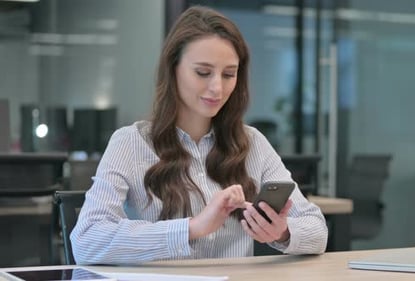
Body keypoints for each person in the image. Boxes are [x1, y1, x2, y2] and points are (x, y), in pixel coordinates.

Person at [70, 5, 328, 265]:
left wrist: (282, 232)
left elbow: (317, 229)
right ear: (173, 70)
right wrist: (192, 228)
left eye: (229, 74)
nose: (217, 87)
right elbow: (86, 240)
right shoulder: (131, 142)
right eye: (203, 73)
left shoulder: (253, 143)